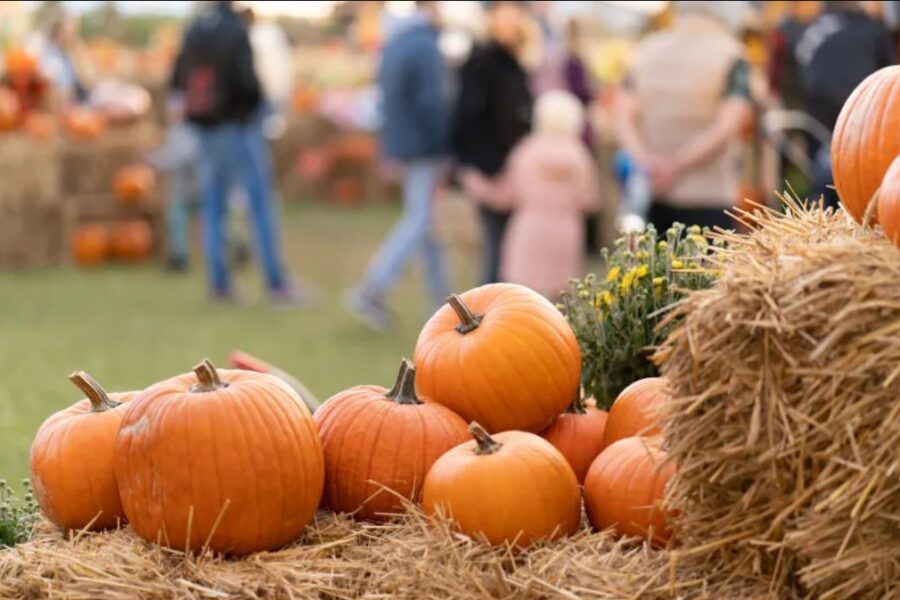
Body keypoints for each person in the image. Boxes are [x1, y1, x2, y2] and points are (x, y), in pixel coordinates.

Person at [171, 0, 303, 304]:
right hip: (237, 127)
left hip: (205, 129)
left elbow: (178, 79)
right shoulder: (235, 31)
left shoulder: (194, 30)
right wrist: (259, 109)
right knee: (259, 202)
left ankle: (219, 283)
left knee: (214, 206)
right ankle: (275, 282)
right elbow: (248, 83)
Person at [344, 1, 450, 332]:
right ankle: (372, 288)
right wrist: (444, 145)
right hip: (425, 145)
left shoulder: (398, 40)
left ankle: (441, 303)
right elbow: (431, 103)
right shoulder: (424, 44)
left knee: (428, 223)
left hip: (406, 143)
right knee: (419, 219)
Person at [616, 1, 752, 234]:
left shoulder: (647, 49)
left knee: (657, 267)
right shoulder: (732, 55)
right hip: (709, 194)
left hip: (655, 192)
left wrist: (647, 161)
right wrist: (677, 164)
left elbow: (622, 114)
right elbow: (729, 124)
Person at [463, 91, 599, 299]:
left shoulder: (527, 150)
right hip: (565, 233)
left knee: (521, 301)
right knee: (560, 304)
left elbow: (504, 197)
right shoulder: (579, 155)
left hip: (530, 230)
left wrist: (476, 184)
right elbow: (589, 201)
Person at [452, 0, 534, 284]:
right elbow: (469, 121)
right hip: (494, 172)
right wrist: (490, 170)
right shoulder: (482, 62)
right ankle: (491, 320)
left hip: (514, 170)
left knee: (512, 253)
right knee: (497, 251)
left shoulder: (514, 62)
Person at [795, 0, 895, 207]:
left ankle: (821, 204)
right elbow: (890, 75)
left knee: (823, 173)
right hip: (861, 117)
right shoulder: (873, 28)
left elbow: (795, 75)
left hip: (818, 112)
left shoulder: (809, 29)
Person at [563, 17, 600, 256]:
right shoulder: (573, 64)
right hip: (578, 130)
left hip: (581, 127)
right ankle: (588, 242)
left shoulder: (575, 62)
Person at [39, 17, 86, 104]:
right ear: (59, 33)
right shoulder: (48, 54)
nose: (73, 37)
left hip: (74, 101)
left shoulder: (69, 54)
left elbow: (85, 81)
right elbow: (50, 86)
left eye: (74, 34)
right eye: (69, 33)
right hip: (59, 104)